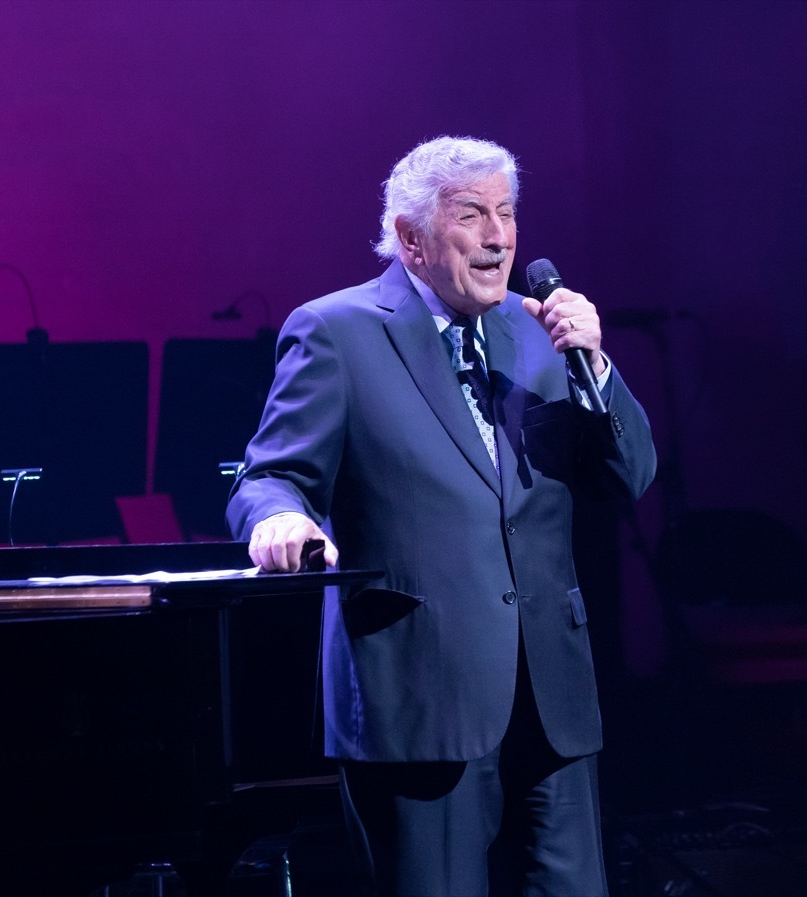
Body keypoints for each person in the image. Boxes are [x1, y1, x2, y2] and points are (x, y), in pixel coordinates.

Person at [227, 135, 657, 897]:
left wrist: (595, 363)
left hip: (551, 693)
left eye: (506, 212)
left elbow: (629, 476)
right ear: (411, 237)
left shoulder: (537, 332)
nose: (499, 236)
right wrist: (279, 520)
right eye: (472, 215)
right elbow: (270, 477)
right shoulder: (337, 331)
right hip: (421, 696)